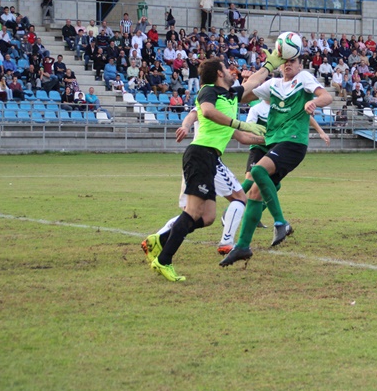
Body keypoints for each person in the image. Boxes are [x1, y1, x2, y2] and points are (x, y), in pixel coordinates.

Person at [140, 55, 275, 282]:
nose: (232, 70)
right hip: (200, 154)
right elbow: (208, 112)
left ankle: (160, 240)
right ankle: (163, 260)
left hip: (210, 158)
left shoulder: (231, 95)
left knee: (208, 217)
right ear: (219, 73)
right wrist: (240, 122)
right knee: (193, 212)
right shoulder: (208, 91)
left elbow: (253, 85)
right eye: (226, 67)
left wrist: (272, 64)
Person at [220, 41, 333, 267]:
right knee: (254, 193)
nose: (288, 65)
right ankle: (242, 246)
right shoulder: (272, 84)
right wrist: (247, 80)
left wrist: (314, 102)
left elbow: (326, 97)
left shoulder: (304, 79)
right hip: (275, 143)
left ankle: (280, 222)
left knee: (258, 170)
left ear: (300, 65)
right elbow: (243, 97)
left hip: (293, 143)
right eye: (285, 61)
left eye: (292, 61)